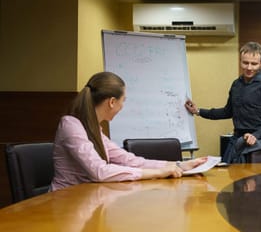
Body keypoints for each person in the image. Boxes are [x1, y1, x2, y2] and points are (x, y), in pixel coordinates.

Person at [51, 71, 207, 191]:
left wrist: (180, 165)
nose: (122, 106)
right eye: (123, 101)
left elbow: (130, 161)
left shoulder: (94, 128)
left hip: (86, 198)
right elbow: (99, 171)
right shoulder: (71, 125)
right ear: (112, 102)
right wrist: (160, 172)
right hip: (64, 202)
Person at [185, 41, 261, 163]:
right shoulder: (236, 84)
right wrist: (198, 111)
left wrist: (255, 135)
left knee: (255, 181)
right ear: (240, 61)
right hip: (236, 141)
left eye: (254, 64)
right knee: (228, 177)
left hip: (259, 144)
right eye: (245, 63)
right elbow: (227, 111)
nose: (249, 68)